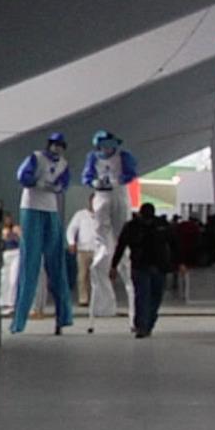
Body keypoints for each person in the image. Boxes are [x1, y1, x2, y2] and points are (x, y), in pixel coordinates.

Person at [11, 132, 73, 334]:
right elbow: (23, 176)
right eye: (55, 145)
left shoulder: (63, 164)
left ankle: (63, 317)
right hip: (31, 208)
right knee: (30, 263)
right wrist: (37, 183)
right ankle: (19, 321)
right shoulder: (36, 157)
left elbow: (65, 182)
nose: (57, 149)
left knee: (57, 264)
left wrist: (57, 187)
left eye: (60, 145)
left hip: (51, 210)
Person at [83, 131, 138, 320]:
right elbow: (86, 176)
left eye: (109, 145)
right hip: (102, 196)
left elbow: (131, 173)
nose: (106, 149)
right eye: (102, 145)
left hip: (119, 195)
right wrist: (94, 182)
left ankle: (120, 255)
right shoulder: (92, 158)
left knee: (122, 233)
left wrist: (118, 180)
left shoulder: (124, 157)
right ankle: (104, 306)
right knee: (102, 234)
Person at [110, 204, 174, 339]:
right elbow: (121, 246)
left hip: (159, 266)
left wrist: (178, 263)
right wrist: (113, 265)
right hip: (140, 267)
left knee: (156, 298)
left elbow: (174, 244)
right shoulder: (131, 227)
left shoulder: (161, 225)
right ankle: (141, 326)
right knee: (142, 296)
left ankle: (149, 323)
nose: (148, 221)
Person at [65, 203, 98, 309]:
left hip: (98, 250)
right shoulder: (81, 215)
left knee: (97, 276)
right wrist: (71, 242)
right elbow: (71, 229)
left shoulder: (102, 214)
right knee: (82, 275)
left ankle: (97, 299)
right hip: (83, 249)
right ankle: (83, 299)